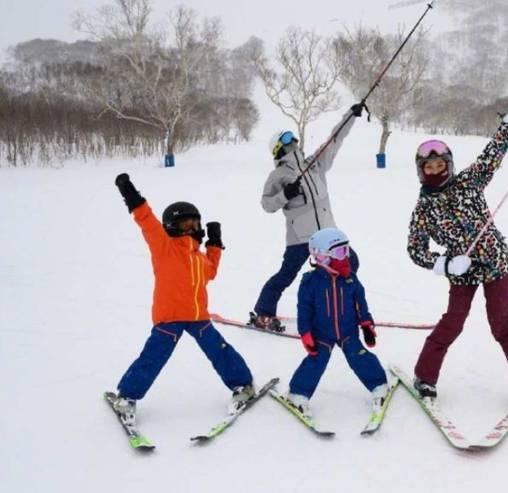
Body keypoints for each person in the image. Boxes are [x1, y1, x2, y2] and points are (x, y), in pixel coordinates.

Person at [406, 97, 508, 403]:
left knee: (502, 324)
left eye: (440, 164)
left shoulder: (468, 182)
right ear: (421, 169)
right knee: (452, 323)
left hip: (494, 263)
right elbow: (414, 248)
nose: (435, 169)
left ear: (449, 165)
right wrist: (443, 263)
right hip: (462, 272)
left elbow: (492, 155)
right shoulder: (423, 208)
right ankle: (425, 377)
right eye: (429, 165)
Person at [110, 173, 255, 423]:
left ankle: (243, 385)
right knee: (152, 358)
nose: (192, 229)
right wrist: (130, 194)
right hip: (170, 318)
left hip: (198, 317)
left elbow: (211, 271)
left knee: (220, 351)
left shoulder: (198, 258)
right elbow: (146, 221)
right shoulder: (164, 247)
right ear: (171, 227)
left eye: (195, 224)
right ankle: (127, 396)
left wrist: (215, 244)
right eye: (185, 225)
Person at [249, 104, 366, 331]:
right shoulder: (278, 175)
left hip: (329, 236)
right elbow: (266, 204)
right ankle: (263, 313)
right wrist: (285, 194)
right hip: (300, 238)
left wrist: (350, 115)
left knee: (351, 264)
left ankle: (337, 308)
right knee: (286, 275)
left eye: (293, 138)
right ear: (278, 149)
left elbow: (334, 140)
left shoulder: (315, 165)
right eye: (287, 140)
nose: (293, 142)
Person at [284, 227, 388, 417]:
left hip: (348, 331)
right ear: (322, 257)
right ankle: (297, 394)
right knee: (316, 362)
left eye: (347, 250)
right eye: (340, 252)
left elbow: (360, 303)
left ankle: (378, 384)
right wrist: (305, 332)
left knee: (360, 356)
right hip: (322, 334)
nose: (346, 257)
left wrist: (366, 324)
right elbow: (304, 309)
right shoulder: (310, 282)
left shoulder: (350, 279)